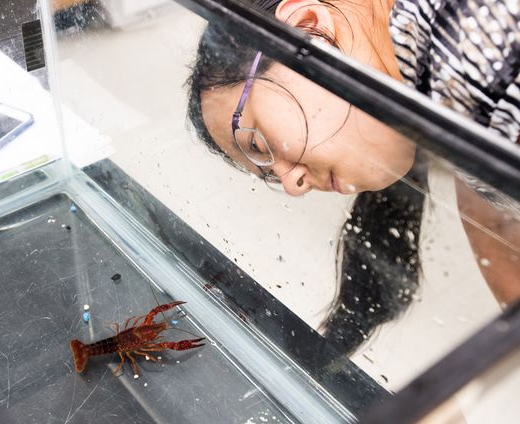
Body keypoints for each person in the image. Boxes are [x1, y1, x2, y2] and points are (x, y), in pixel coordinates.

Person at [186, 0, 520, 354]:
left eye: (257, 142)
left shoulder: (473, 53)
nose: (291, 185)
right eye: (268, 174)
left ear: (306, 25)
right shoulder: (460, 109)